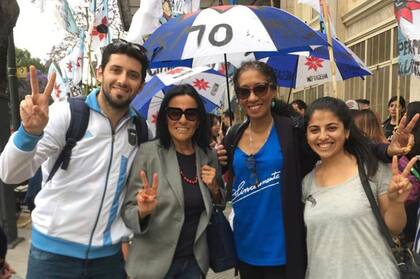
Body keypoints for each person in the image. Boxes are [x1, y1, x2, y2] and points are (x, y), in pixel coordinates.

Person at [215, 61, 418, 279]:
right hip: (246, 249)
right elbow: (226, 180)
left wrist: (386, 149)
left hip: (285, 252)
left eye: (260, 88)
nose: (252, 97)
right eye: (244, 91)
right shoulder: (233, 136)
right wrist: (216, 163)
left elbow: (335, 141)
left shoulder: (292, 131)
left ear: (273, 90)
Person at [0, 40, 149, 279]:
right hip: (52, 258)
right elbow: (9, 174)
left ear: (141, 85)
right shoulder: (65, 114)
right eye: (116, 70)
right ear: (100, 72)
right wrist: (28, 133)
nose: (123, 79)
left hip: (108, 261)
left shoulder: (141, 131)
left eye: (133, 75)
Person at [302, 96, 417, 279]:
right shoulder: (306, 182)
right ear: (307, 135)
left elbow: (395, 228)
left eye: (332, 128)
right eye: (314, 130)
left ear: (347, 131)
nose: (323, 136)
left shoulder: (373, 170)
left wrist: (396, 203)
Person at [122, 84, 224, 279]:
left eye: (191, 114)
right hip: (152, 266)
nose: (183, 120)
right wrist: (142, 211)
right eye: (175, 113)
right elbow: (128, 212)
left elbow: (218, 202)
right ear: (165, 117)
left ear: (199, 120)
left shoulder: (208, 155)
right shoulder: (148, 153)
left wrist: (214, 189)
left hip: (194, 265)